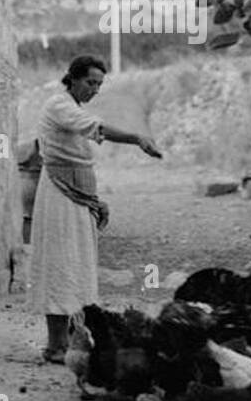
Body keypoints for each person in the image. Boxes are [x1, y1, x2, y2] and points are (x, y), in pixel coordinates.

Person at [28, 54, 162, 363]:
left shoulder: (71, 106)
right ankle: (56, 345)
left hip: (75, 191)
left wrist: (94, 199)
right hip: (60, 194)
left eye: (99, 84)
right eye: (90, 82)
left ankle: (74, 340)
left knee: (75, 264)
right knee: (60, 264)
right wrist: (137, 138)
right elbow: (94, 127)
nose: (94, 90)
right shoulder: (58, 105)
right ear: (72, 78)